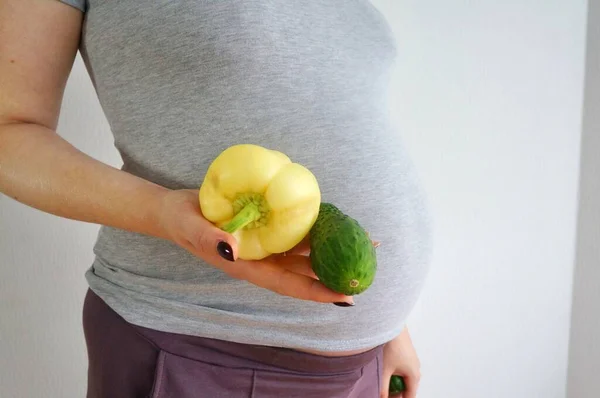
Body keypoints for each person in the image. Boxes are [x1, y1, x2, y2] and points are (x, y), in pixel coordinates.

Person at [0, 1, 432, 397]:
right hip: (198, 341)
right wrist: (162, 212)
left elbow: (327, 107)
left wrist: (386, 321)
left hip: (362, 357)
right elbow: (10, 129)